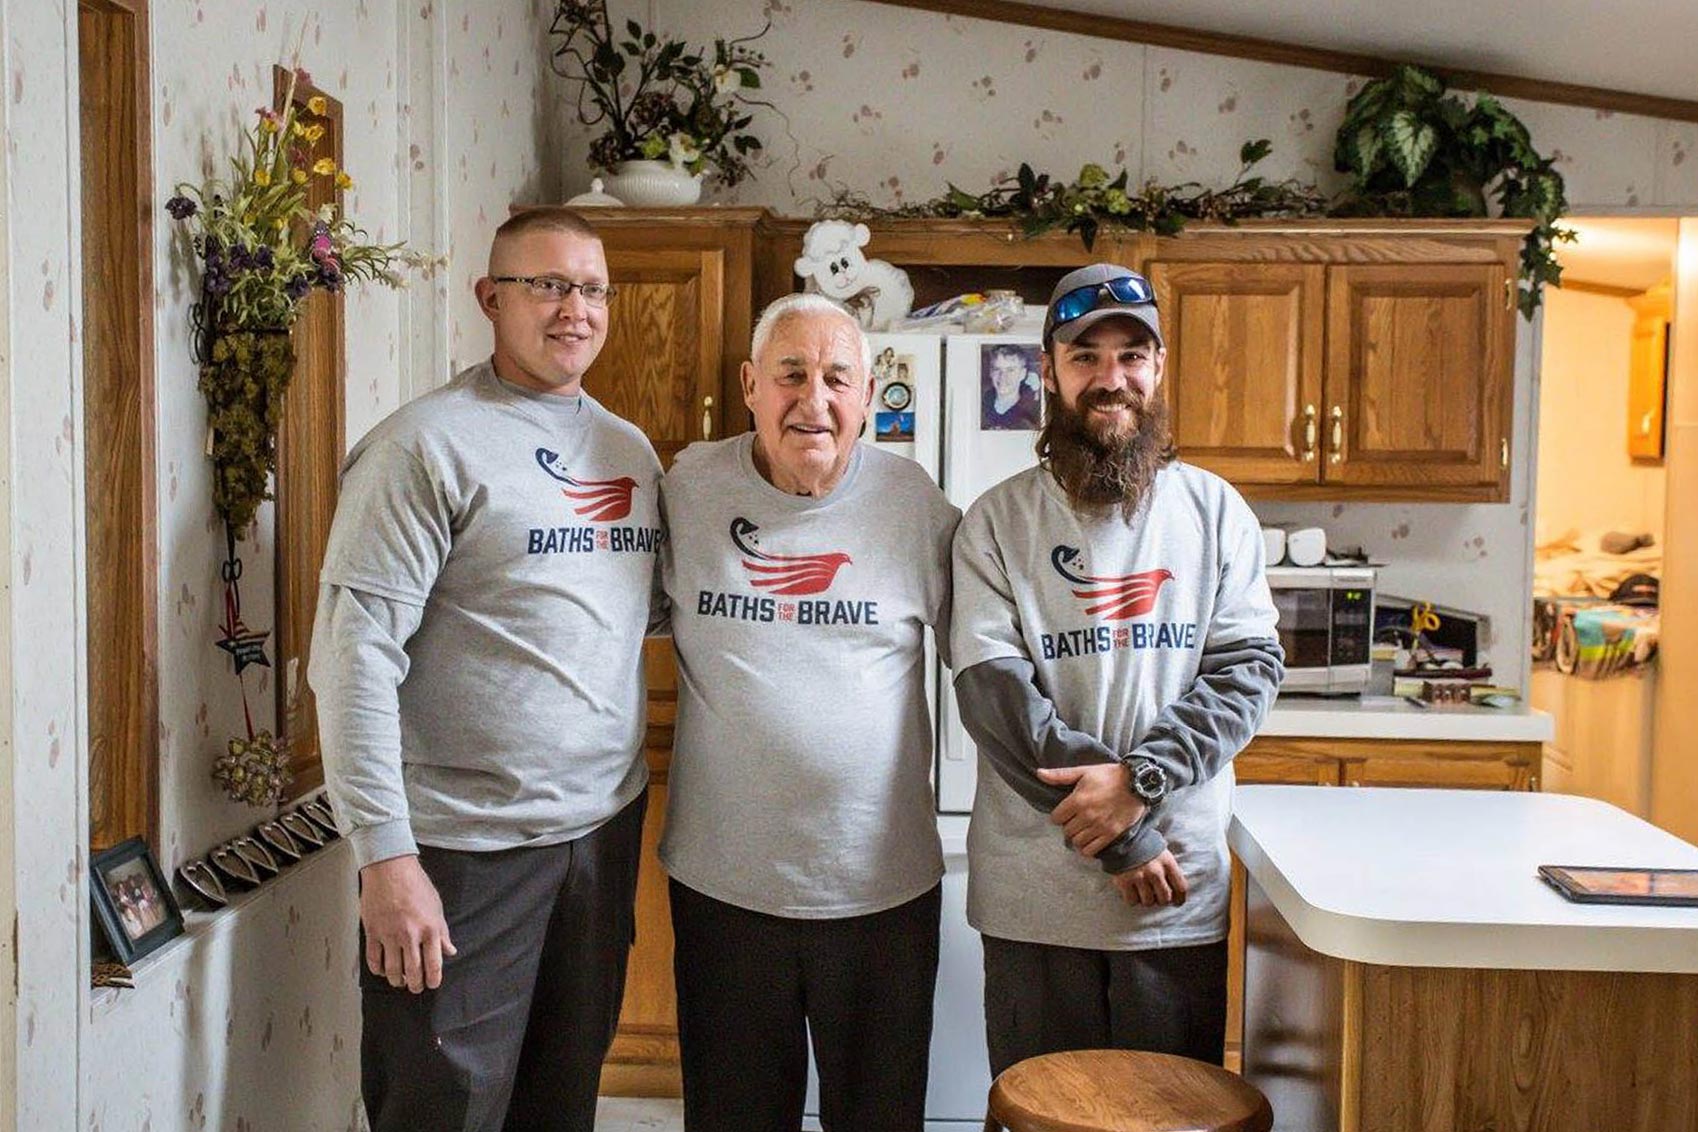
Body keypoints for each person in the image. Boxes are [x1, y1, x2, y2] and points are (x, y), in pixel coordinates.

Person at [309, 207, 663, 1132]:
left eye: (591, 289)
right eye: (545, 285)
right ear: (490, 298)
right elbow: (351, 661)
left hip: (599, 838)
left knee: (561, 1101)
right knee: (442, 1109)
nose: (572, 310)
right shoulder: (422, 447)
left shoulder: (628, 450)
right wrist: (387, 858)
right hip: (461, 854)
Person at [950, 264, 1284, 1074]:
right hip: (1038, 902)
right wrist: (1123, 837)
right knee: (1042, 1115)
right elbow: (997, 699)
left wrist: (1141, 781)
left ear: (1159, 367)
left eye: (1132, 354)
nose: (1111, 378)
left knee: (1169, 1115)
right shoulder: (996, 521)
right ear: (1049, 371)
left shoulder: (1214, 513)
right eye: (1085, 356)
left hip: (1173, 897)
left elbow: (1247, 670)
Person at [658, 292, 960, 1132]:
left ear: (868, 395)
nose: (813, 400)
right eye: (791, 374)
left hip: (882, 891)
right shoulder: (686, 489)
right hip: (724, 889)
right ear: (751, 385)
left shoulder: (915, 504)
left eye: (837, 378)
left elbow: (996, 651)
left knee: (879, 1119)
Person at [981, 342, 1043, 430]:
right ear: (991, 372)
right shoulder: (978, 407)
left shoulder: (1036, 413)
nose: (1003, 376)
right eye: (997, 369)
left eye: (1010, 370)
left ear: (1022, 374)